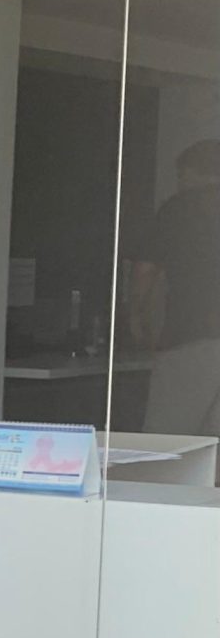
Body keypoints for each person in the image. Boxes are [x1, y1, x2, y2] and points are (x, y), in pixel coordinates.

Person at [133, 137, 220, 436]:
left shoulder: (179, 208)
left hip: (190, 335)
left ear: (193, 172)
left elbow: (146, 270)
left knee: (168, 442)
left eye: (181, 175)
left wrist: (136, 317)